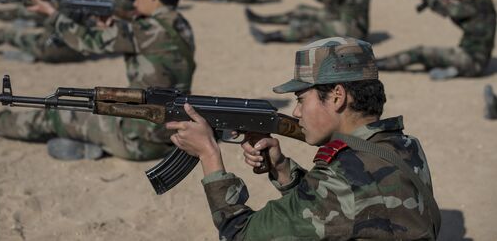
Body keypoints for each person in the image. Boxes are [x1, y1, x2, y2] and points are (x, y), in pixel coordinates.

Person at [166, 37, 440, 240]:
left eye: (301, 99)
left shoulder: (341, 178)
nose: (296, 112)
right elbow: (343, 209)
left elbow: (241, 234)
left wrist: (208, 154)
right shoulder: (404, 145)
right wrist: (283, 168)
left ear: (337, 96)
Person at [0, 0, 196, 161]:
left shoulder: (144, 29)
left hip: (139, 140)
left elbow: (85, 41)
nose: (134, 1)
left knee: (57, 112)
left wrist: (52, 14)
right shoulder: (180, 25)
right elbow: (151, 46)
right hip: (170, 135)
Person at [376, 0, 496, 80]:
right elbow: (464, 22)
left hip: (470, 61)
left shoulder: (476, 5)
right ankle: (451, 69)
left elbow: (449, 11)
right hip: (476, 62)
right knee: (429, 58)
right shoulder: (486, 3)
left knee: (419, 53)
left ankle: (378, 64)